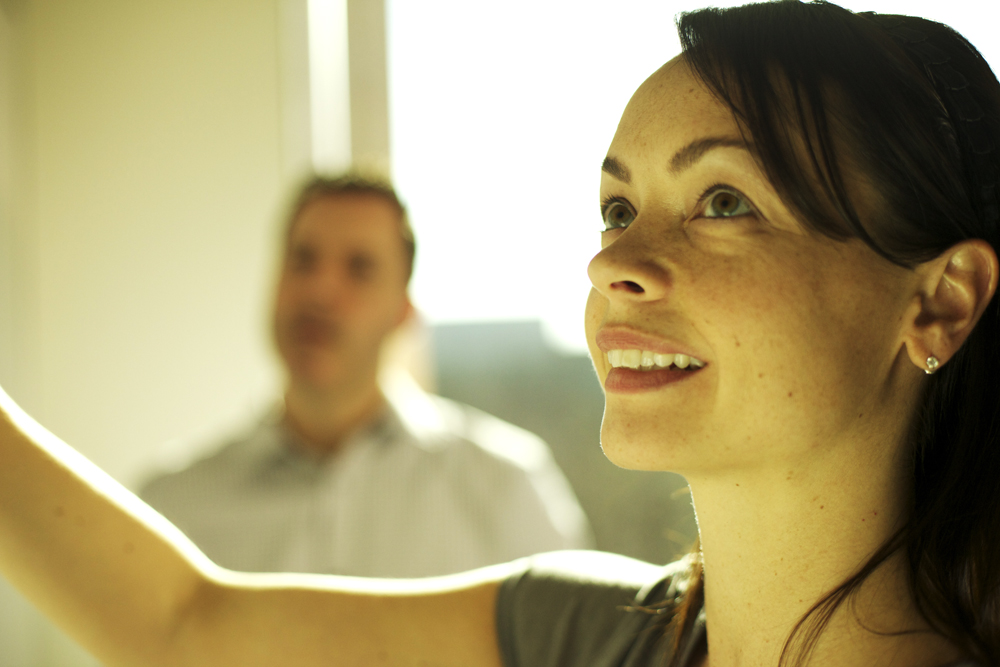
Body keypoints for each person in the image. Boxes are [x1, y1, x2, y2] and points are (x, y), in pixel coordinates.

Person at [0, 1, 997, 665]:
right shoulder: (579, 633)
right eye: (615, 211)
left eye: (723, 199)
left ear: (941, 300)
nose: (613, 263)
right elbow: (180, 622)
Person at [138, 174, 592, 577]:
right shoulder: (169, 511)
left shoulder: (506, 487)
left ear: (403, 311)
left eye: (359, 268)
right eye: (303, 260)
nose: (320, 290)